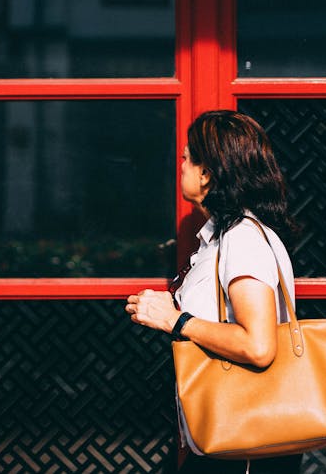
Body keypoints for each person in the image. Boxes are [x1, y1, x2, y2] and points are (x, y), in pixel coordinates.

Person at [125, 110, 302, 474]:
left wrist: (176, 320)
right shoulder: (224, 238)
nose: (182, 166)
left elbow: (258, 345)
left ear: (207, 174)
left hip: (244, 450)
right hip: (229, 440)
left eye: (188, 158)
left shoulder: (242, 240)